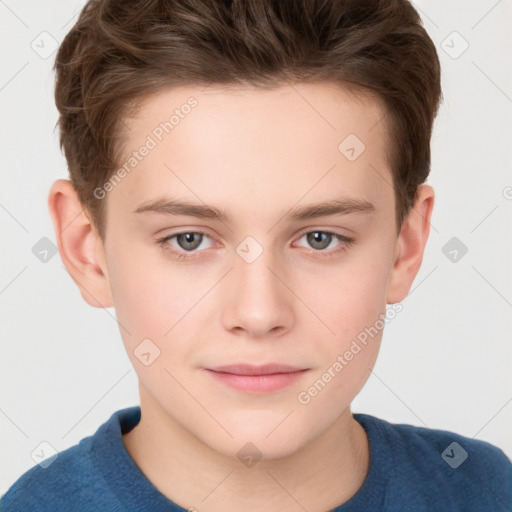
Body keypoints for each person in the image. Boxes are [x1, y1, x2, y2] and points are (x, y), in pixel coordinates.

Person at [1, 0, 511, 510]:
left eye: (320, 238)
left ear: (406, 246)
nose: (259, 313)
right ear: (87, 251)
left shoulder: (487, 492)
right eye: (189, 240)